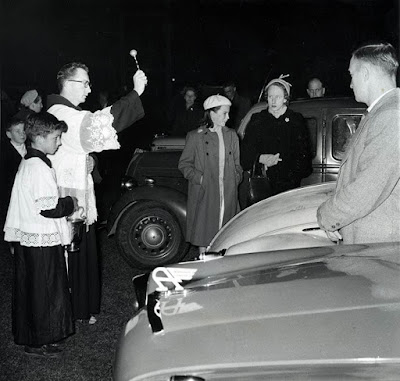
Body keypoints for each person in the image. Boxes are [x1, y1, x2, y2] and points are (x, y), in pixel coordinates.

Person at [46, 62, 147, 324]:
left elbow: (80, 149)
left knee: (83, 251)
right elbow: (97, 125)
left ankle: (81, 306)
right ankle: (69, 309)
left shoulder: (69, 111)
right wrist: (135, 93)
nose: (89, 89)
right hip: (66, 198)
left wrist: (91, 162)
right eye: (85, 83)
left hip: (79, 193)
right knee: (71, 252)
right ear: (68, 84)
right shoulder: (60, 112)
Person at [3, 112, 77, 357]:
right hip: (40, 239)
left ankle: (39, 337)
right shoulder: (37, 166)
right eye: (56, 137)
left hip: (32, 238)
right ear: (41, 137)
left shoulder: (32, 161)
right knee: (44, 290)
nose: (58, 142)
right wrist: (71, 203)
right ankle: (38, 340)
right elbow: (49, 208)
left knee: (36, 289)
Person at [317, 42, 400, 244]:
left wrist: (327, 216)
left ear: (365, 73)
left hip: (378, 242)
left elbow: (368, 186)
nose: (351, 84)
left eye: (352, 75)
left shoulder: (391, 115)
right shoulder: (381, 111)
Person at [178, 95, 243, 256]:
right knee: (204, 233)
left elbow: (237, 163)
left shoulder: (232, 135)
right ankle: (204, 262)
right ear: (212, 114)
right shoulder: (196, 136)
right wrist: (200, 179)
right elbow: (184, 164)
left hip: (227, 193)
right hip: (206, 193)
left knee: (227, 234)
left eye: (228, 113)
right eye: (224, 113)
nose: (228, 117)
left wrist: (236, 177)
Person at [241, 75, 312, 200]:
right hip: (262, 186)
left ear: (285, 98)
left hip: (288, 188)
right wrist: (261, 158)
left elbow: (304, 158)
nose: (273, 101)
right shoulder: (257, 120)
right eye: (270, 97)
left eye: (277, 97)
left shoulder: (296, 120)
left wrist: (288, 169)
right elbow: (244, 155)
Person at [1, 117, 27, 217]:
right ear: (9, 134)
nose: (22, 133)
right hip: (9, 195)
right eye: (17, 131)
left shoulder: (30, 148)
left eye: (24, 130)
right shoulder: (4, 152)